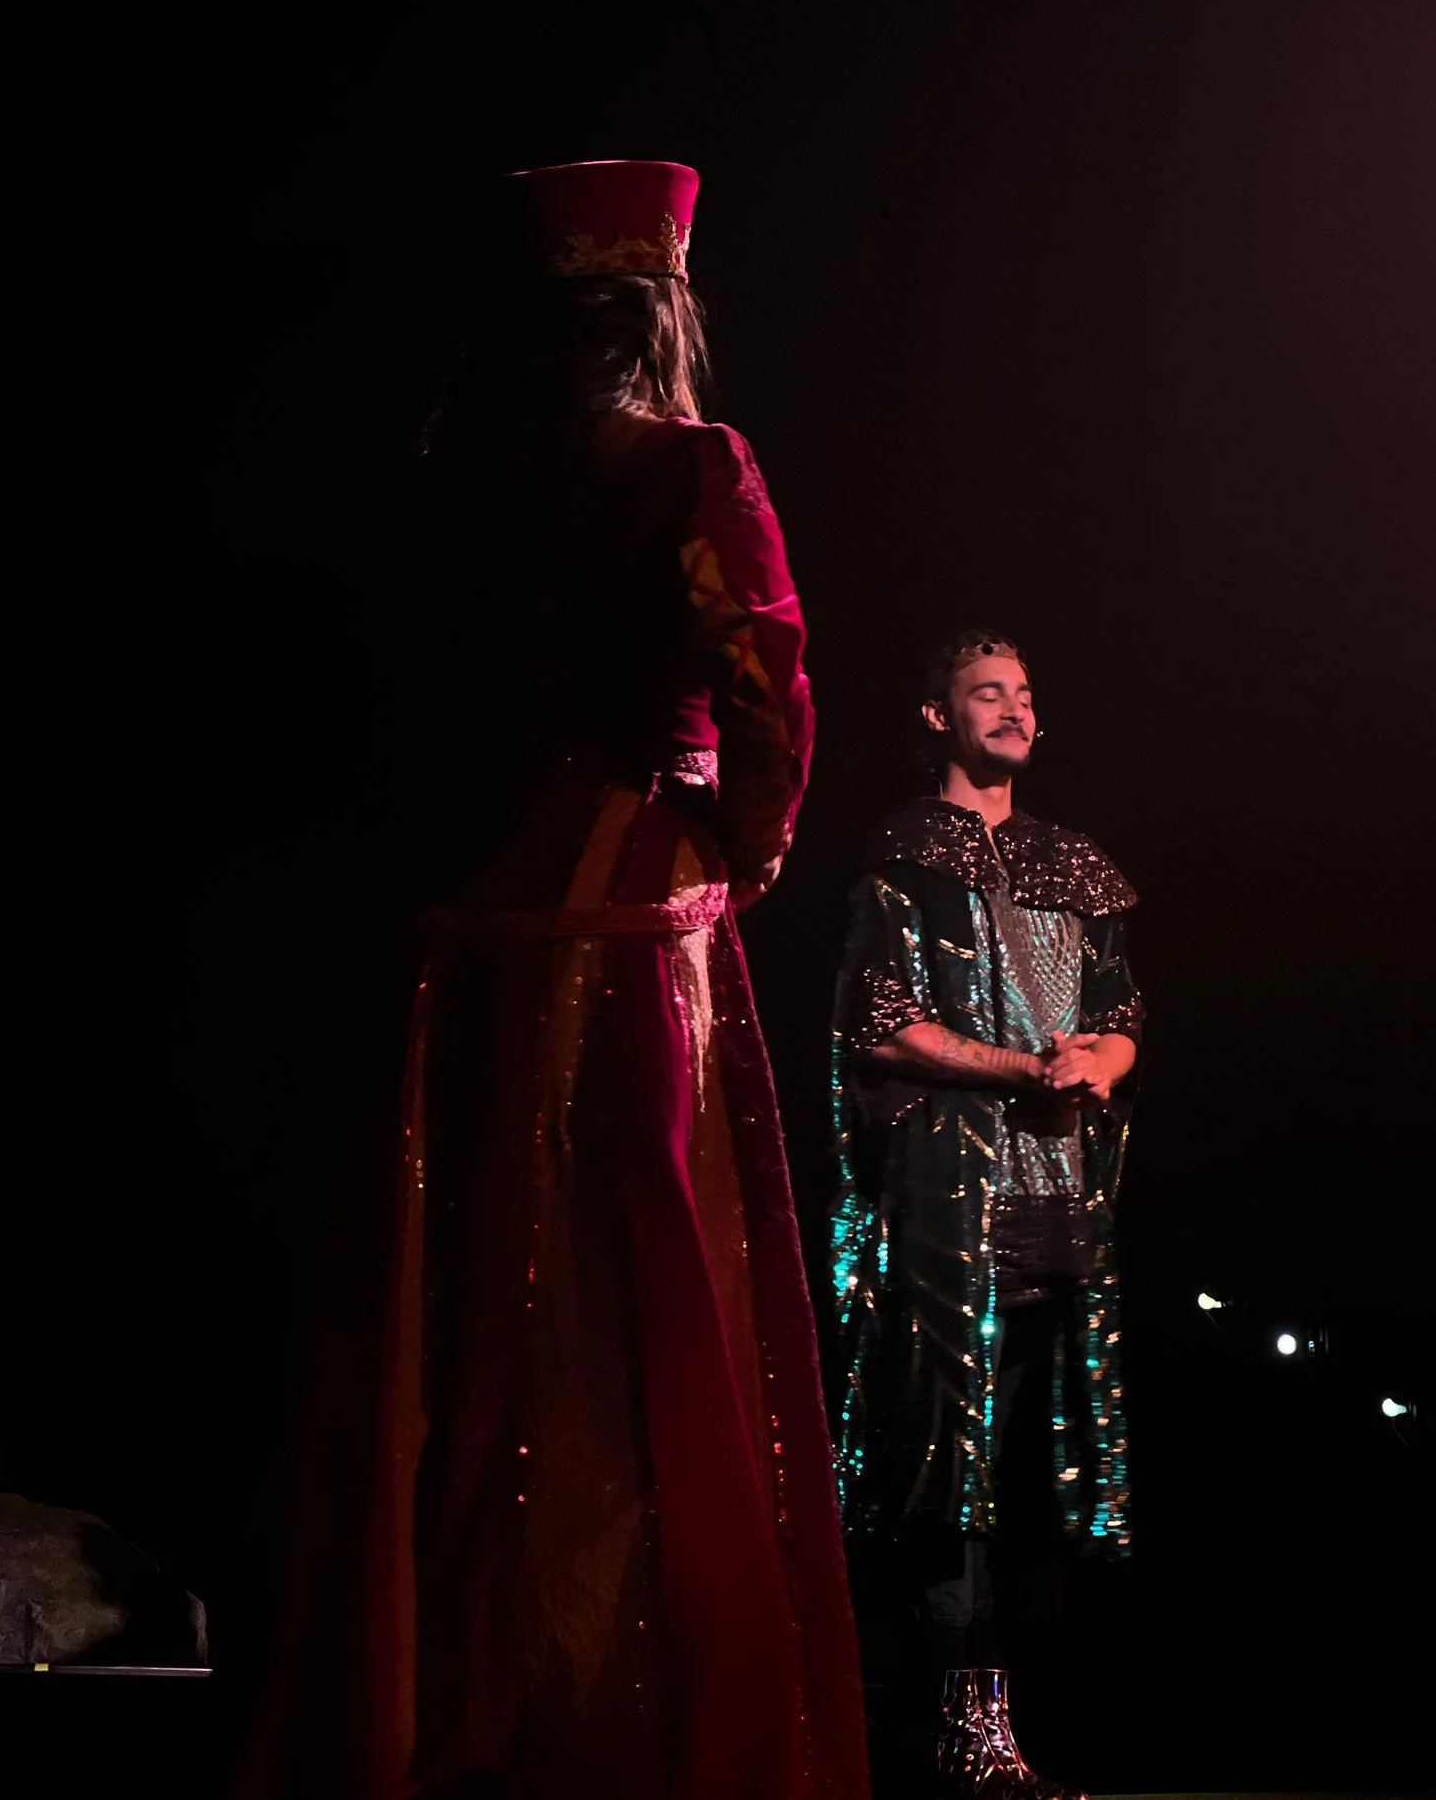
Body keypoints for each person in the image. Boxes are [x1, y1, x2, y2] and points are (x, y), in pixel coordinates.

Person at [247, 161, 867, 1800]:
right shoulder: (688, 464)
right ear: (665, 311)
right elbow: (771, 679)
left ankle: (451, 1697)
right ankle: (635, 1704)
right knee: (633, 1295)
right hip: (628, 907)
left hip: (466, 915)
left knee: (468, 1311)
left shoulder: (455, 476)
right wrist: (744, 838)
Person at [827, 632, 1143, 1800]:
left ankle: (1016, 1727)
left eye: (1022, 695)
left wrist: (1092, 1062)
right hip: (957, 1209)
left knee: (1040, 1477)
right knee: (944, 1474)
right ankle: (957, 1732)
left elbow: (1119, 1014)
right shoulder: (905, 857)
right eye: (984, 693)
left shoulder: (1080, 863)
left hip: (1066, 1207)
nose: (1011, 711)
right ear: (935, 716)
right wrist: (1020, 1069)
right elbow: (883, 1022)